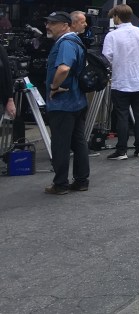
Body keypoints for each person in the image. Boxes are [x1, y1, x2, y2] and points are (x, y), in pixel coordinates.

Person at [102, 4, 139, 160]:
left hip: (121, 81)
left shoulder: (112, 36)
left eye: (113, 17)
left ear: (117, 17)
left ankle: (122, 150)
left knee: (122, 116)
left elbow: (106, 57)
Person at [42, 11, 89, 194]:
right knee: (78, 142)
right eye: (47, 23)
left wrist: (54, 87)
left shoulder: (66, 43)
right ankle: (81, 181)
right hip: (76, 101)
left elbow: (63, 68)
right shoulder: (74, 41)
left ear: (65, 26)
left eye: (52, 23)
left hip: (64, 103)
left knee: (61, 144)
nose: (48, 26)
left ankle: (61, 184)